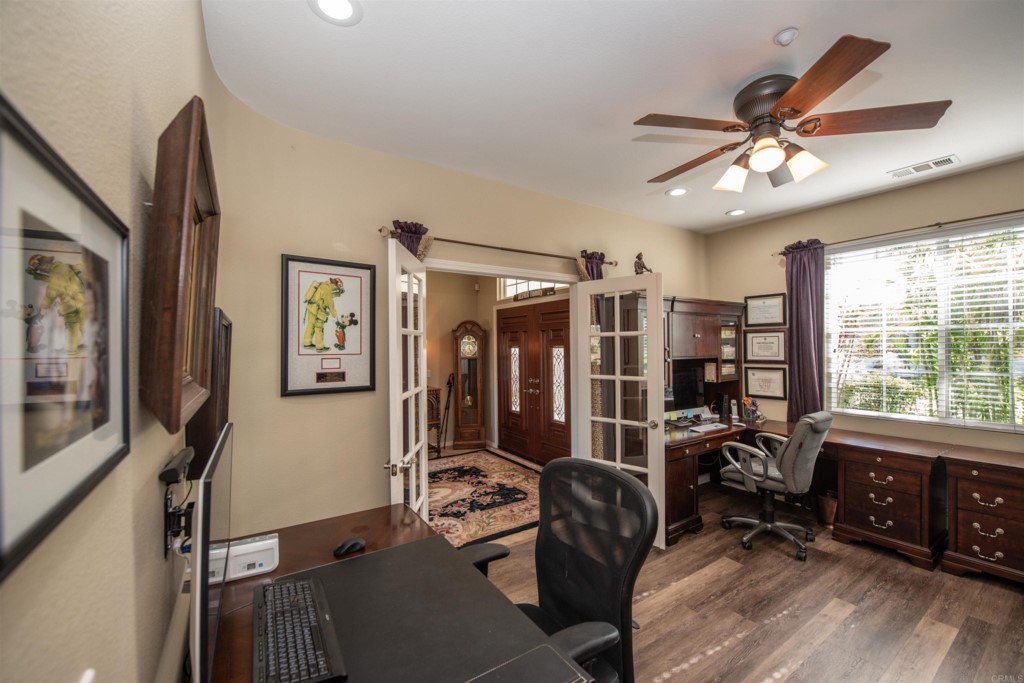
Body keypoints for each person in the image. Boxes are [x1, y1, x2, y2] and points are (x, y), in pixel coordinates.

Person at [26, 254, 86, 354]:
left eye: (37, 267)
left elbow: (53, 290)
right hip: (75, 300)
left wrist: (45, 305)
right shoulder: (59, 269)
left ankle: (86, 346)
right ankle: (72, 348)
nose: (39, 269)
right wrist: (36, 275)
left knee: (76, 324)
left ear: (42, 264)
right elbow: (51, 278)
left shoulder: (58, 270)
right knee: (75, 324)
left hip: (73, 301)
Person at [303, 277, 344, 352]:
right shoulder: (327, 289)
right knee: (319, 328)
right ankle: (320, 347)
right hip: (318, 311)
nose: (336, 289)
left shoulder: (323, 285)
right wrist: (335, 316)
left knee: (310, 326)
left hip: (311, 308)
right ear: (335, 285)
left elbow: (326, 295)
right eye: (337, 287)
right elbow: (330, 304)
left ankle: (307, 343)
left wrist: (338, 293)